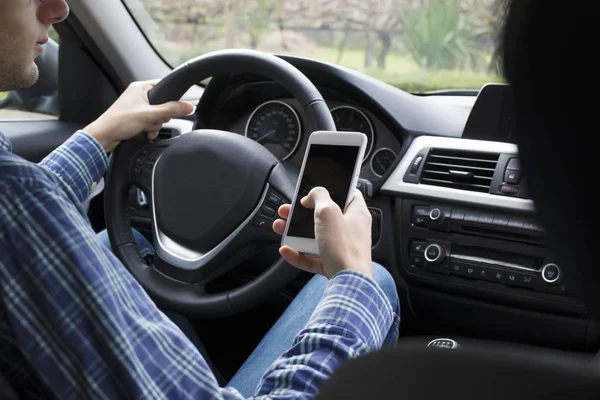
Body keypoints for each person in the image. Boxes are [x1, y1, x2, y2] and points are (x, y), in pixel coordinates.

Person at [0, 0, 400, 398]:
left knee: (133, 248)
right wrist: (352, 278)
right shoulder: (17, 197)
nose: (59, 9)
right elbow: (22, 208)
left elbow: (28, 217)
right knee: (374, 284)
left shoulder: (19, 198)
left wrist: (101, 135)